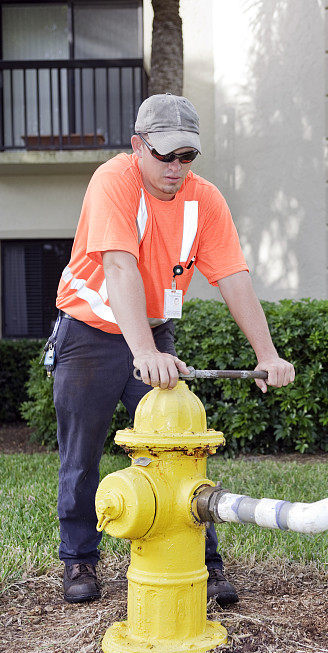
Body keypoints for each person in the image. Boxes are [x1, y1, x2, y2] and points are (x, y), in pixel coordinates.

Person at [51, 94, 295, 606]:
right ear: (138, 146)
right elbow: (119, 268)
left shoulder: (205, 200)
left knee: (179, 450)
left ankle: (204, 563)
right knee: (81, 454)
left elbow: (233, 276)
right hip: (90, 332)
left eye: (187, 157)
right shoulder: (113, 180)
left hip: (153, 337)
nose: (176, 168)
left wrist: (267, 355)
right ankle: (79, 560)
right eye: (165, 156)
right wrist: (144, 351)